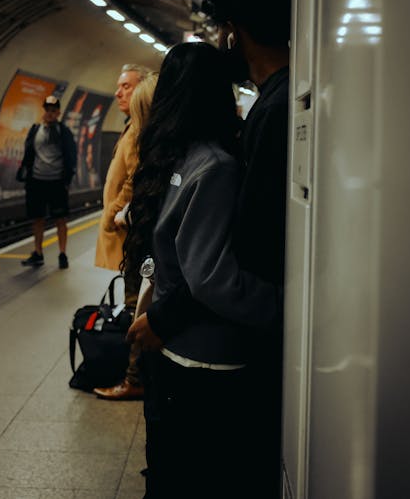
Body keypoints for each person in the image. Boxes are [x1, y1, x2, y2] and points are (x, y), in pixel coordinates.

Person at [123, 42, 279, 498]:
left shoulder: (176, 159)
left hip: (177, 349)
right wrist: (286, 305)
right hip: (212, 354)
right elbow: (212, 277)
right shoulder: (216, 166)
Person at [201, 0, 292, 496]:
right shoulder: (280, 100)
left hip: (264, 322)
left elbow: (255, 234)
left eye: (222, 29)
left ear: (237, 30)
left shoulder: (274, 110)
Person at [93, 71, 157, 401]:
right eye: (117, 86)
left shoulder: (138, 129)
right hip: (133, 228)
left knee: (136, 303)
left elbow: (133, 180)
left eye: (126, 87)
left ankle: (135, 379)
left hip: (132, 228)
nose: (118, 93)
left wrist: (113, 214)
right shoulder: (133, 125)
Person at [18, 94, 77, 269]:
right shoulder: (35, 129)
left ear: (58, 112)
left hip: (57, 182)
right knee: (37, 218)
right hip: (37, 181)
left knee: (60, 219)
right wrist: (25, 173)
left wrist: (67, 179)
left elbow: (71, 155)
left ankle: (62, 254)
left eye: (53, 111)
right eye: (47, 110)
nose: (49, 113)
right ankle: (38, 253)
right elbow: (29, 153)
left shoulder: (63, 131)